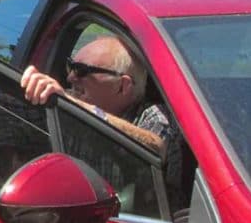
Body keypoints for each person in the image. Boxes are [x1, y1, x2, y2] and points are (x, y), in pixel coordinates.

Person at [21, 35, 171, 151]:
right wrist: (29, 85)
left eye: (81, 70)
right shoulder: (65, 97)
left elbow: (156, 147)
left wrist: (77, 108)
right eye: (70, 66)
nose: (70, 77)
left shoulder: (155, 116)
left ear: (123, 86)